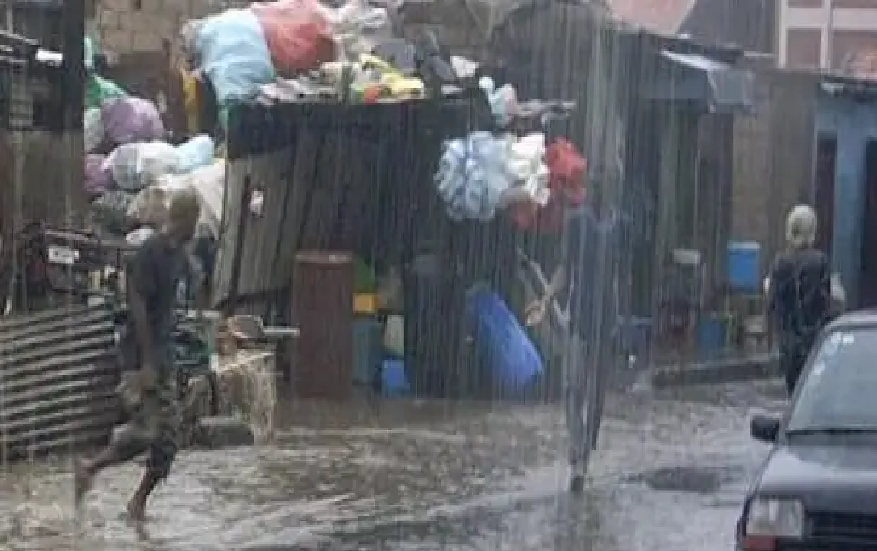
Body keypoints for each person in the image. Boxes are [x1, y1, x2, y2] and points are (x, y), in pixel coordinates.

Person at [74, 189, 201, 521]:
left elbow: (185, 276)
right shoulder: (150, 252)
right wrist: (144, 363)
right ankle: (90, 467)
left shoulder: (176, 252)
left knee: (168, 439)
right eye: (195, 222)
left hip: (162, 357)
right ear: (186, 219)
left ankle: (136, 503)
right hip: (140, 356)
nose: (196, 230)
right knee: (149, 430)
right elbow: (138, 306)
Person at [526, 180, 622, 493]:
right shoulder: (577, 224)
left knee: (595, 397)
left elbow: (621, 277)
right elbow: (565, 269)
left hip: (605, 322)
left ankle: (586, 451)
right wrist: (546, 300)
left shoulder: (618, 226)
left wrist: (620, 319)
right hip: (581, 319)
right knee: (572, 389)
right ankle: (578, 458)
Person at [766, 204, 831, 396]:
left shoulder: (779, 263)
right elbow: (826, 305)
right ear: (812, 230)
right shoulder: (820, 261)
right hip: (814, 343)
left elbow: (772, 304)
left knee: (793, 394)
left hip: (789, 345)